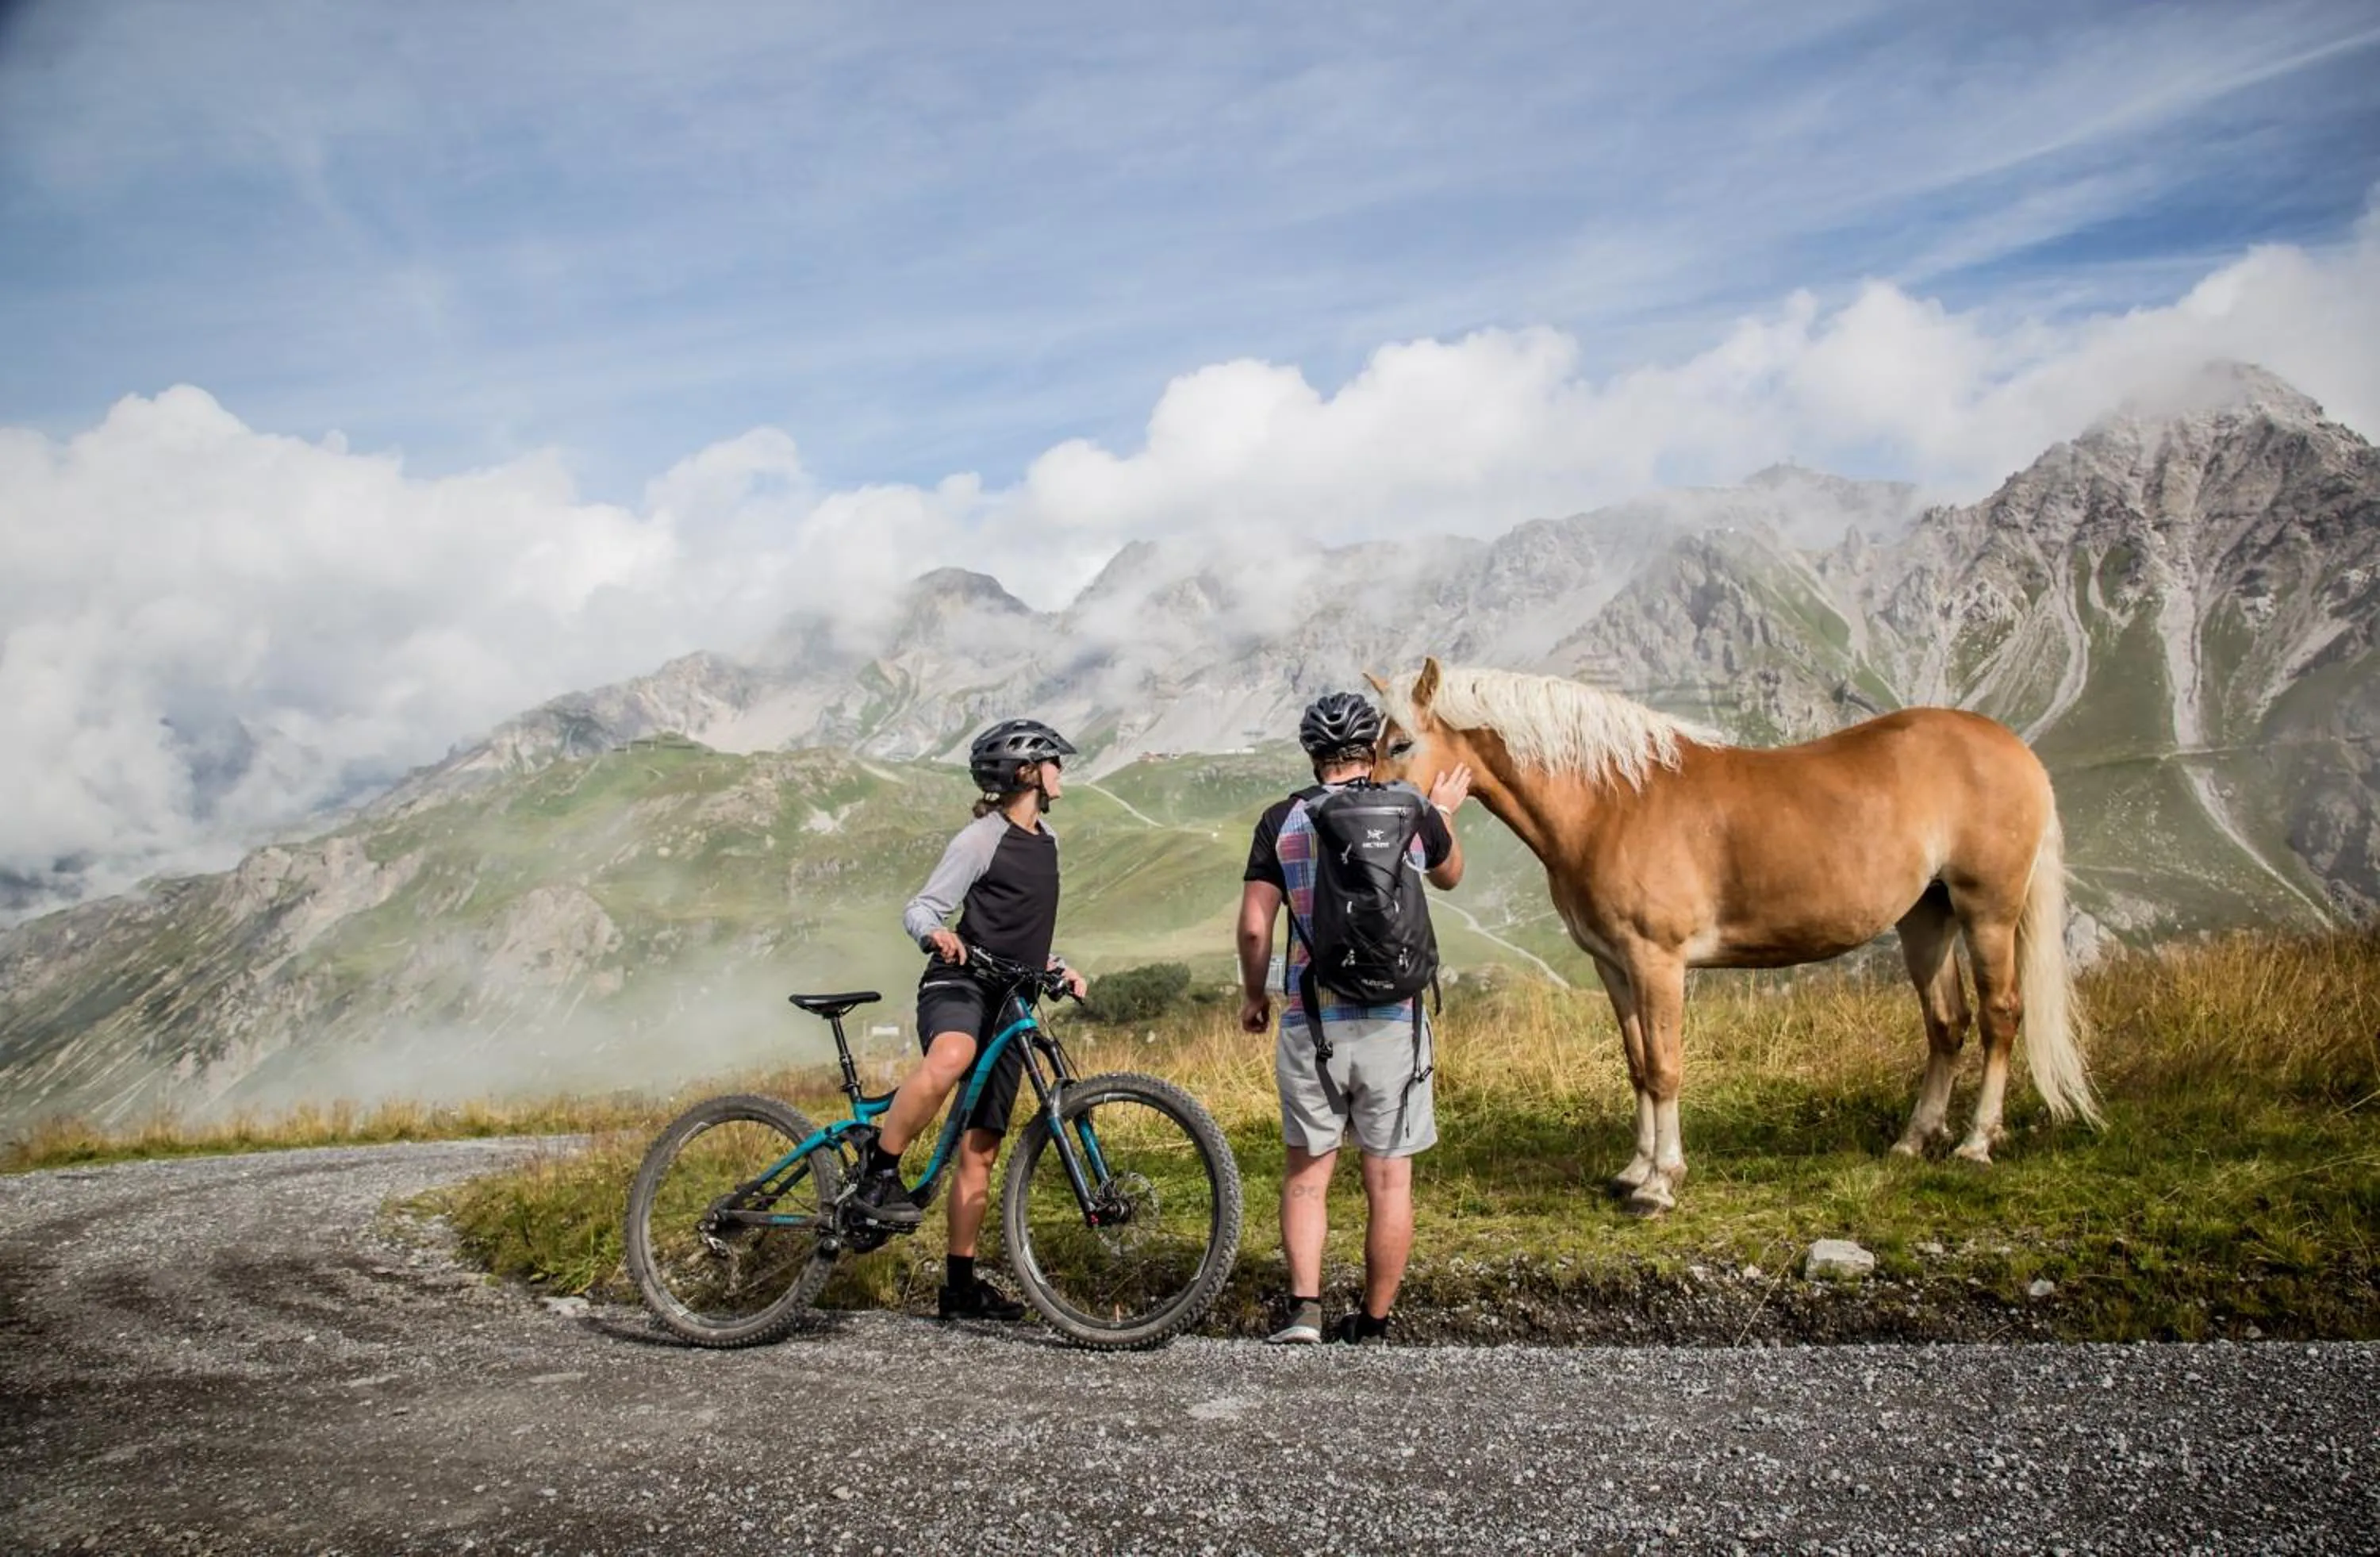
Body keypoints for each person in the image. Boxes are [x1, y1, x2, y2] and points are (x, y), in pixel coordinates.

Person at [1238, 691, 1471, 1345]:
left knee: (1308, 1176)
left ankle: (1305, 1313)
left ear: (1313, 756)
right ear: (1371, 751)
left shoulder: (1282, 820)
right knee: (1389, 1178)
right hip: (1394, 1020)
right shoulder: (1408, 809)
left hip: (1312, 1021)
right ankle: (1373, 1322)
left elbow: (1258, 926)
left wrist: (1256, 995)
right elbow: (1450, 876)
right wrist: (1442, 814)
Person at [850, 717, 1090, 1322]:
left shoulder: (1049, 843)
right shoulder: (981, 838)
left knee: (981, 1147)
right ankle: (879, 1171)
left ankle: (959, 1287)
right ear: (1027, 773)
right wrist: (935, 933)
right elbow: (922, 906)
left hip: (1011, 996)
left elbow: (1022, 932)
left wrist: (1056, 968)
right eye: (1055, 761)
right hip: (958, 982)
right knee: (951, 1057)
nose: (1063, 771)